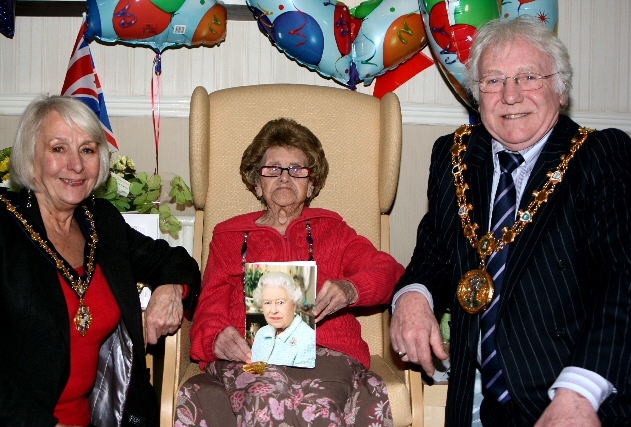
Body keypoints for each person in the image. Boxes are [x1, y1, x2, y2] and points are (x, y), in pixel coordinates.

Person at [390, 16, 631, 427]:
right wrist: (414, 296)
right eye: (493, 80)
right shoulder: (452, 156)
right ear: (477, 94)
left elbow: (626, 278)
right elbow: (434, 249)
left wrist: (581, 390)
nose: (510, 95)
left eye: (528, 77)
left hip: (580, 394)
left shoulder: (601, 156)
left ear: (559, 89)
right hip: (484, 403)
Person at [174, 117, 404, 426]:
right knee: (262, 394)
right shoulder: (228, 236)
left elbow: (389, 270)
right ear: (257, 182)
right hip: (249, 359)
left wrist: (350, 288)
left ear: (312, 185)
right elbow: (208, 308)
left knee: (318, 406)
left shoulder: (333, 229)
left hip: (326, 354)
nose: (285, 177)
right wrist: (216, 337)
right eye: (273, 169)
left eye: (297, 170)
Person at [0, 95, 201, 427]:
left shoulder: (100, 221)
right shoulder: (6, 228)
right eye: (58, 148)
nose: (76, 165)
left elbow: (174, 260)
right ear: (31, 157)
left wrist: (170, 291)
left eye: (88, 149)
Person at [250, 271, 316, 368]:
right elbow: (252, 371)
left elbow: (301, 381)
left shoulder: (308, 338)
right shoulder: (261, 333)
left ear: (294, 305)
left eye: (280, 302)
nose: (273, 310)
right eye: (267, 303)